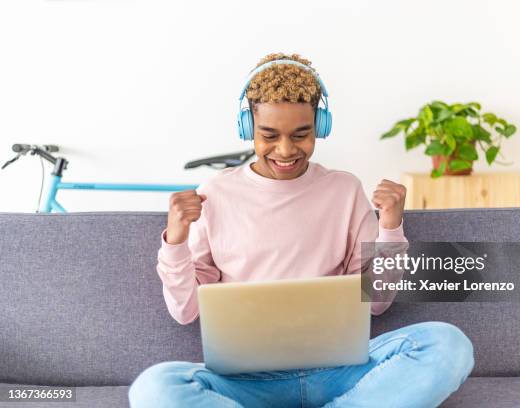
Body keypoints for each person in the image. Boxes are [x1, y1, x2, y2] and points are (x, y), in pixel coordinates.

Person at [128, 53, 474, 408]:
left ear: (320, 126)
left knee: (448, 344)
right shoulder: (215, 193)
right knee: (154, 387)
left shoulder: (344, 190)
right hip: (244, 381)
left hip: (337, 372)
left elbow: (377, 303)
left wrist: (390, 227)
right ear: (248, 129)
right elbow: (184, 310)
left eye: (301, 134)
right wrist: (176, 241)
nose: (286, 149)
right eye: (269, 135)